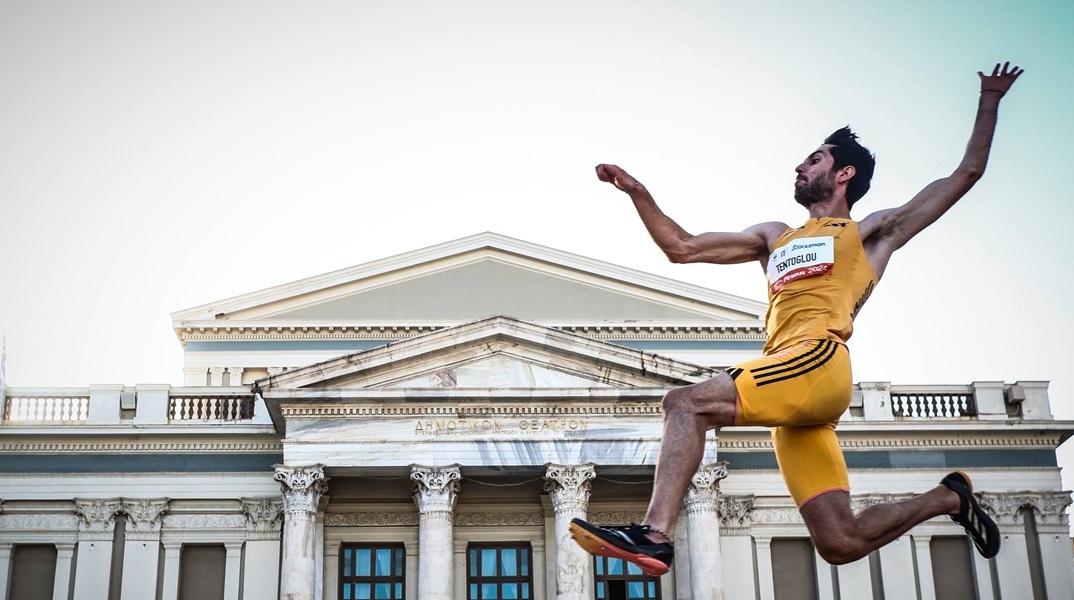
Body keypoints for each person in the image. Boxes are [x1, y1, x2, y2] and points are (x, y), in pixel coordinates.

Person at [569, 62, 1023, 576]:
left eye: (814, 160)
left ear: (843, 173)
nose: (799, 168)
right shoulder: (773, 237)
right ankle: (948, 500)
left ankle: (653, 535)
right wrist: (638, 192)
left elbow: (965, 174)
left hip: (819, 359)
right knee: (841, 542)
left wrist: (990, 99)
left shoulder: (871, 232)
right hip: (792, 392)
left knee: (684, 403)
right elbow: (682, 247)